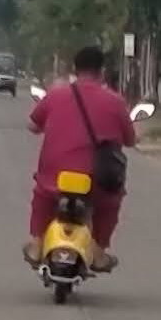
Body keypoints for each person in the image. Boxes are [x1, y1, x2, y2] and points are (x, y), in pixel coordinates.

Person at [25, 45, 137, 271]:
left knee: (42, 198)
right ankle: (98, 252)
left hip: (54, 177)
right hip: (97, 180)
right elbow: (130, 139)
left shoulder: (56, 95)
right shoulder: (115, 101)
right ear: (102, 71)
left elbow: (32, 125)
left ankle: (37, 244)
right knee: (109, 204)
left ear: (74, 69)